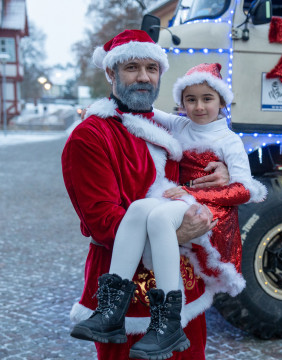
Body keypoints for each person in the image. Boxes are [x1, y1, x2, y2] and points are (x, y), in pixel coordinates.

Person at [70, 61, 266, 359]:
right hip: (163, 218)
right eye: (132, 67)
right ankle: (112, 308)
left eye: (152, 68)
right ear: (111, 73)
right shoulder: (169, 124)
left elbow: (244, 187)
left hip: (190, 213)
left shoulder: (226, 140)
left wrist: (205, 184)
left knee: (160, 216)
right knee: (139, 210)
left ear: (222, 101)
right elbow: (139, 114)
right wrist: (96, 109)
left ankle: (167, 318)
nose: (199, 106)